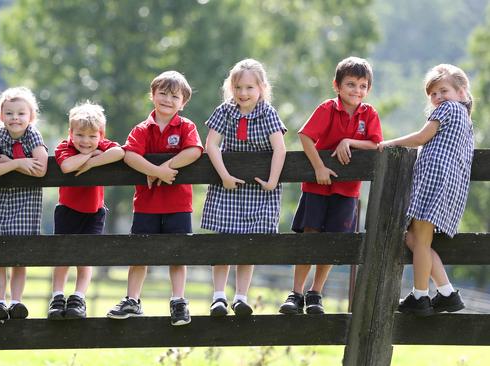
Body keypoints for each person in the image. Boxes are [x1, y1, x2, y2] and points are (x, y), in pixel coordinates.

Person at [279, 57, 383, 315]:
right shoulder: (328, 108)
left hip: (347, 191)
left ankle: (316, 293)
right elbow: (305, 136)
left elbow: (376, 143)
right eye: (350, 84)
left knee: (332, 241)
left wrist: (349, 140)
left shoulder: (368, 114)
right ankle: (297, 293)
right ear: (336, 85)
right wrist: (319, 168)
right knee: (310, 236)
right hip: (317, 187)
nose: (356, 90)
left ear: (368, 89)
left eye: (362, 85)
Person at [106, 71, 203, 326]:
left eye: (174, 96)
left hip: (178, 205)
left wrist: (165, 166)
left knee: (177, 253)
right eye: (162, 93)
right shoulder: (142, 129)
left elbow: (193, 151)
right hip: (147, 205)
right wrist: (155, 171)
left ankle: (179, 300)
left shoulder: (186, 127)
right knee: (140, 252)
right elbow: (129, 155)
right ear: (152, 96)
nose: (168, 100)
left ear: (183, 103)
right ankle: (132, 300)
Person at [378, 64, 472, 316]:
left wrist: (390, 143)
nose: (438, 97)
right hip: (446, 183)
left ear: (461, 92)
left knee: (419, 240)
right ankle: (446, 292)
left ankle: (420, 295)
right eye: (433, 94)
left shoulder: (450, 109)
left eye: (444, 90)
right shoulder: (464, 119)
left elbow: (422, 137)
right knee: (412, 238)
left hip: (435, 179)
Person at [201, 59, 287, 317]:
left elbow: (279, 148)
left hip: (259, 191)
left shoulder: (268, 113)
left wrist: (272, 181)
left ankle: (240, 296)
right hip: (229, 186)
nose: (243, 93)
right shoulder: (225, 111)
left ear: (261, 88)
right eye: (238, 87)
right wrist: (225, 176)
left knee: (248, 244)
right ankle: (218, 296)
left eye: (250, 87)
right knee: (225, 241)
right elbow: (212, 145)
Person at [48, 101, 125, 320]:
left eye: (93, 136)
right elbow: (67, 166)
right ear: (71, 133)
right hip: (67, 210)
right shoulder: (64, 147)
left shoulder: (104, 146)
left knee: (85, 257)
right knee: (62, 257)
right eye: (80, 135)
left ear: (101, 134)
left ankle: (78, 297)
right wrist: (90, 157)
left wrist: (92, 163)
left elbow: (119, 153)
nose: (86, 141)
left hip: (94, 212)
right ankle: (58, 296)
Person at [0, 87, 48, 320]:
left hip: (26, 203)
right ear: (1, 116)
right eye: (9, 113)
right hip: (0, 203)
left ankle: (16, 301)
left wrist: (10, 161)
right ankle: (0, 302)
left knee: (20, 254)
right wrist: (17, 165)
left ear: (31, 116)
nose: (15, 118)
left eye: (21, 113)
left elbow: (41, 169)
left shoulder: (33, 134)